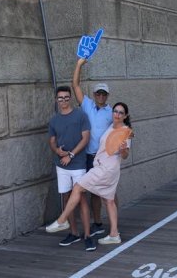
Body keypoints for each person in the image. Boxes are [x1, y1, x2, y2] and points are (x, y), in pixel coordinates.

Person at [46, 102, 133, 245]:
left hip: (105, 169)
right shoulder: (112, 126)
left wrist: (123, 150)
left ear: (126, 116)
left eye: (120, 113)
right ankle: (114, 234)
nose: (117, 114)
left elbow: (125, 155)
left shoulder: (125, 132)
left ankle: (62, 220)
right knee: (109, 201)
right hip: (107, 169)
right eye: (115, 111)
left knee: (78, 187)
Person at [46, 86, 94, 250]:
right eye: (61, 98)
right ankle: (74, 233)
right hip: (62, 166)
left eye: (66, 97)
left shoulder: (81, 115)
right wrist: (56, 150)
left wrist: (71, 155)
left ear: (70, 98)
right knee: (67, 199)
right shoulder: (54, 120)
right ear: (56, 100)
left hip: (78, 164)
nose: (64, 100)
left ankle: (87, 236)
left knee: (81, 199)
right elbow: (52, 141)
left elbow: (85, 138)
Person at [73, 58, 113, 236]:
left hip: (105, 158)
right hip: (90, 156)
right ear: (94, 94)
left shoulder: (112, 112)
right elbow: (75, 85)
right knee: (94, 192)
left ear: (107, 96)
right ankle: (97, 223)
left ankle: (114, 226)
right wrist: (79, 65)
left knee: (109, 193)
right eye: (98, 94)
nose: (101, 97)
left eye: (104, 94)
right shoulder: (87, 105)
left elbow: (122, 130)